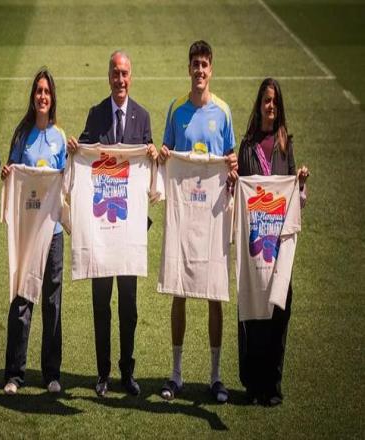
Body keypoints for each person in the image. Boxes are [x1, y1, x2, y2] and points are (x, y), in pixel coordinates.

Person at [67, 50, 157, 397]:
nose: (120, 80)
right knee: (101, 304)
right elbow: (84, 156)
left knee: (129, 307)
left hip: (130, 230)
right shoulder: (96, 114)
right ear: (108, 76)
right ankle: (103, 374)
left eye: (125, 74)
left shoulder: (142, 117)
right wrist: (75, 148)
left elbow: (149, 172)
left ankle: (127, 372)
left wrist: (153, 155)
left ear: (131, 77)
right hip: (102, 230)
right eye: (115, 73)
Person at [158, 40, 237, 403]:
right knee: (179, 289)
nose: (200, 71)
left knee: (214, 293)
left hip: (213, 216)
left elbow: (231, 159)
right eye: (195, 64)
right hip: (183, 213)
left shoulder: (223, 111)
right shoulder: (176, 110)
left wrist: (232, 167)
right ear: (188, 68)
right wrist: (163, 155)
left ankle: (215, 377)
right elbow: (166, 155)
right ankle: (176, 375)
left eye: (205, 64)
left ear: (211, 69)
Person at [236, 77, 309, 406]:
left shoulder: (284, 145)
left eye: (275, 101)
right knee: (253, 313)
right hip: (255, 244)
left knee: (279, 310)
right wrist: (232, 182)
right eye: (266, 100)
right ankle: (252, 385)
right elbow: (238, 193)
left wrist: (300, 183)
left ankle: (272, 385)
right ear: (259, 104)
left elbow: (297, 199)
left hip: (278, 246)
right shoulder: (247, 145)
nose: (270, 106)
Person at [1, 68, 66, 395]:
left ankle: (51, 373)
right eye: (38, 91)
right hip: (28, 230)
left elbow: (67, 180)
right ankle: (15, 374)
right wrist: (7, 173)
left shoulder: (60, 137)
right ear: (33, 96)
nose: (42, 96)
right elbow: (11, 173)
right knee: (23, 297)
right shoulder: (21, 135)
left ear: (52, 98)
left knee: (52, 302)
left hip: (53, 232)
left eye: (47, 91)